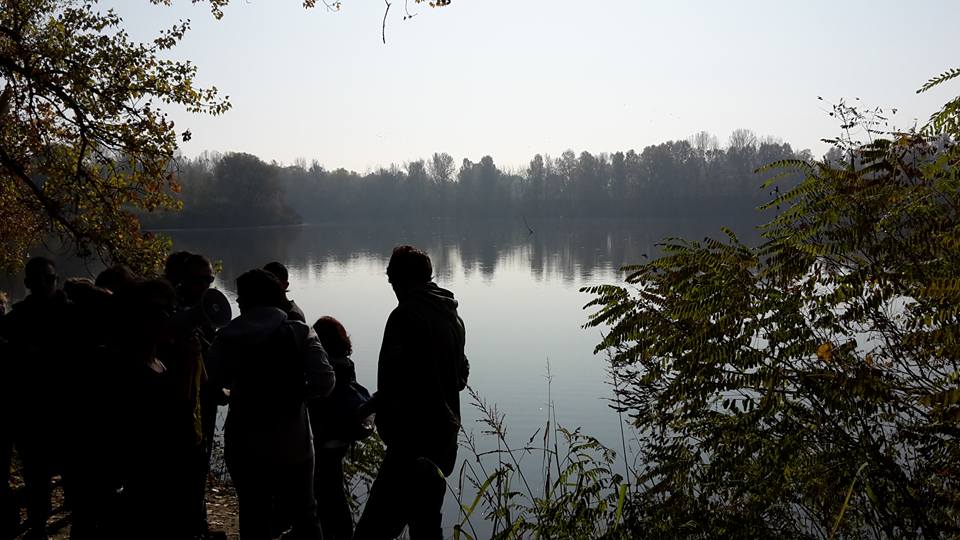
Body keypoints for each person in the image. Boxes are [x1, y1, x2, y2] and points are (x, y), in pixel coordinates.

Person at [209, 269, 334, 540]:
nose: (238, 302)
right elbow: (325, 381)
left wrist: (234, 395)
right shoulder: (300, 332)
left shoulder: (227, 337)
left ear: (247, 301)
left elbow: (212, 384)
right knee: (305, 512)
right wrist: (296, 395)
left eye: (241, 297)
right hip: (294, 443)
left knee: (254, 513)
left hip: (244, 443)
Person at [354, 246, 469, 540]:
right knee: (426, 526)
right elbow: (460, 377)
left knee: (371, 532)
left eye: (392, 279)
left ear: (401, 279)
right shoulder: (452, 316)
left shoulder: (405, 316)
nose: (392, 286)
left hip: (410, 445)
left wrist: (359, 413)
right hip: (443, 442)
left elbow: (396, 384)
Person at [113, 279, 197, 540]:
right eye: (156, 312)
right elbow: (169, 411)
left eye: (169, 310)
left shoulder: (158, 360)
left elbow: (181, 404)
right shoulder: (127, 365)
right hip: (147, 476)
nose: (166, 318)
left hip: (164, 472)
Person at [0, 257, 74, 540]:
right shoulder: (15, 319)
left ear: (56, 280)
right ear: (28, 283)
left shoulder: (74, 315)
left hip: (67, 409)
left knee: (71, 468)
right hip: (31, 410)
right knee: (35, 473)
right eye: (38, 279)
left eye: (49, 278)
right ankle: (39, 524)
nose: (44, 283)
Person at [309, 316, 372, 540]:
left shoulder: (326, 368)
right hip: (341, 436)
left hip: (327, 436)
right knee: (332, 492)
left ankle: (334, 534)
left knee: (327, 493)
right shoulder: (346, 364)